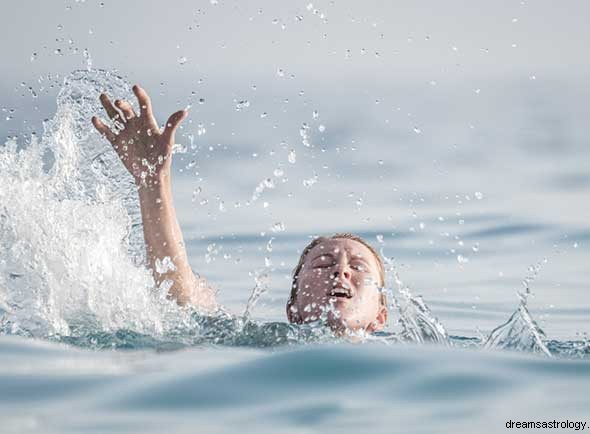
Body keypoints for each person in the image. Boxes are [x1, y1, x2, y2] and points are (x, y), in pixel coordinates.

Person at [91, 85, 388, 336]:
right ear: (293, 309)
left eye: (359, 267)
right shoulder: (265, 344)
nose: (341, 270)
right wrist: (153, 181)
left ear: (380, 316)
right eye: (323, 264)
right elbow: (183, 302)